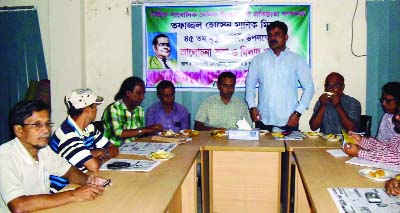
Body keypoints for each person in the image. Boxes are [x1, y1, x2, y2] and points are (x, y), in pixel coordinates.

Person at [0, 100, 108, 212]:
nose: (46, 130)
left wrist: (89, 181)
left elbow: (69, 171)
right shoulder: (5, 157)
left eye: (47, 124)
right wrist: (73, 195)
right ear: (18, 130)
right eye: (37, 125)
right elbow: (18, 206)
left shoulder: (43, 149)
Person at [245, 20, 314, 132]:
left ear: (286, 37)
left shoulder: (297, 60)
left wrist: (298, 113)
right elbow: (250, 85)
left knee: (288, 150)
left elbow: (309, 88)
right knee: (263, 150)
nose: (273, 38)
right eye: (270, 35)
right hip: (263, 120)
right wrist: (252, 107)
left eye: (277, 34)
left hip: (289, 121)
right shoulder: (259, 60)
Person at [50, 88, 119, 172]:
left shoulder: (90, 128)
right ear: (87, 110)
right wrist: (100, 155)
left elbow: (114, 149)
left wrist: (99, 153)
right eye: (95, 106)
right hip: (68, 184)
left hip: (86, 176)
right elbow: (93, 166)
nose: (97, 109)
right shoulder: (67, 135)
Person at [102, 77, 163, 146]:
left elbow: (138, 135)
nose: (142, 97)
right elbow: (117, 133)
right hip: (115, 150)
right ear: (128, 93)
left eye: (143, 93)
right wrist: (145, 129)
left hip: (134, 148)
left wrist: (152, 130)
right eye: (139, 93)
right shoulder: (113, 109)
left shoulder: (139, 110)